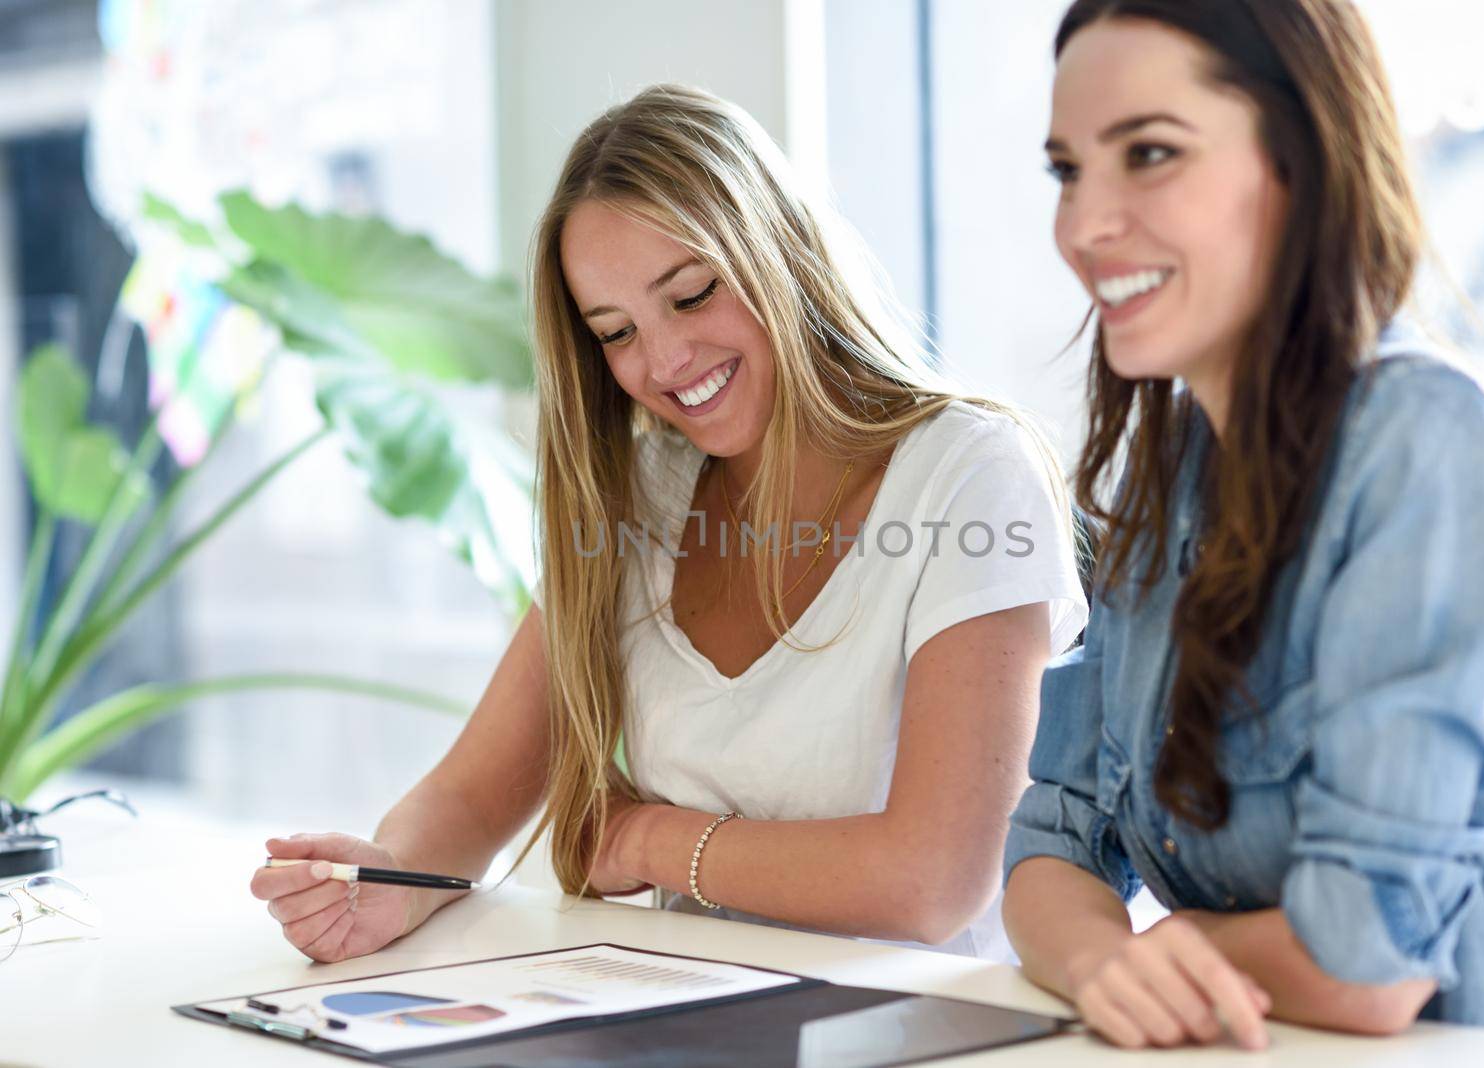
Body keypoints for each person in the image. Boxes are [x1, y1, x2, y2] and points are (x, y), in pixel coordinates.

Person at [251, 85, 1087, 963]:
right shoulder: (642, 494)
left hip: (925, 1029)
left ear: (779, 250)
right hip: (692, 1018)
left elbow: (933, 883)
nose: (664, 362)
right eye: (615, 333)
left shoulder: (969, 474)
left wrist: (645, 840)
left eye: (690, 296)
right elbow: (472, 795)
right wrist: (389, 880)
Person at [1002, 0, 1484, 1050]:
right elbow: (1047, 848)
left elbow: (1366, 962)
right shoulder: (1165, 468)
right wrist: (1102, 958)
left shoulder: (1423, 442)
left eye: (1147, 154)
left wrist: (1140, 956)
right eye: (1066, 169)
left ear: (1303, 162)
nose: (1080, 226)